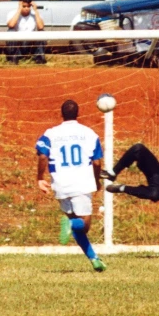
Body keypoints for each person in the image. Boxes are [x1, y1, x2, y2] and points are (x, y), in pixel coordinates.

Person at [36, 100, 107, 272]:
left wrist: (39, 177)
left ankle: (95, 260)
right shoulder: (89, 133)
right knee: (84, 224)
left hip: (60, 184)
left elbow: (43, 156)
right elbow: (97, 162)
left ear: (61, 114)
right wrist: (97, 181)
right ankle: (71, 226)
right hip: (81, 183)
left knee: (75, 223)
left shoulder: (50, 134)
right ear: (78, 114)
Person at [6, 0, 46, 64]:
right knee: (10, 31)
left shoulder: (35, 14)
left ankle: (39, 57)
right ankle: (13, 57)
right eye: (24, 6)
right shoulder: (12, 13)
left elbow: (41, 27)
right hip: (18, 44)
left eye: (28, 6)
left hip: (30, 44)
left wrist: (36, 10)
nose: (26, 9)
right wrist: (19, 10)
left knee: (42, 32)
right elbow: (11, 25)